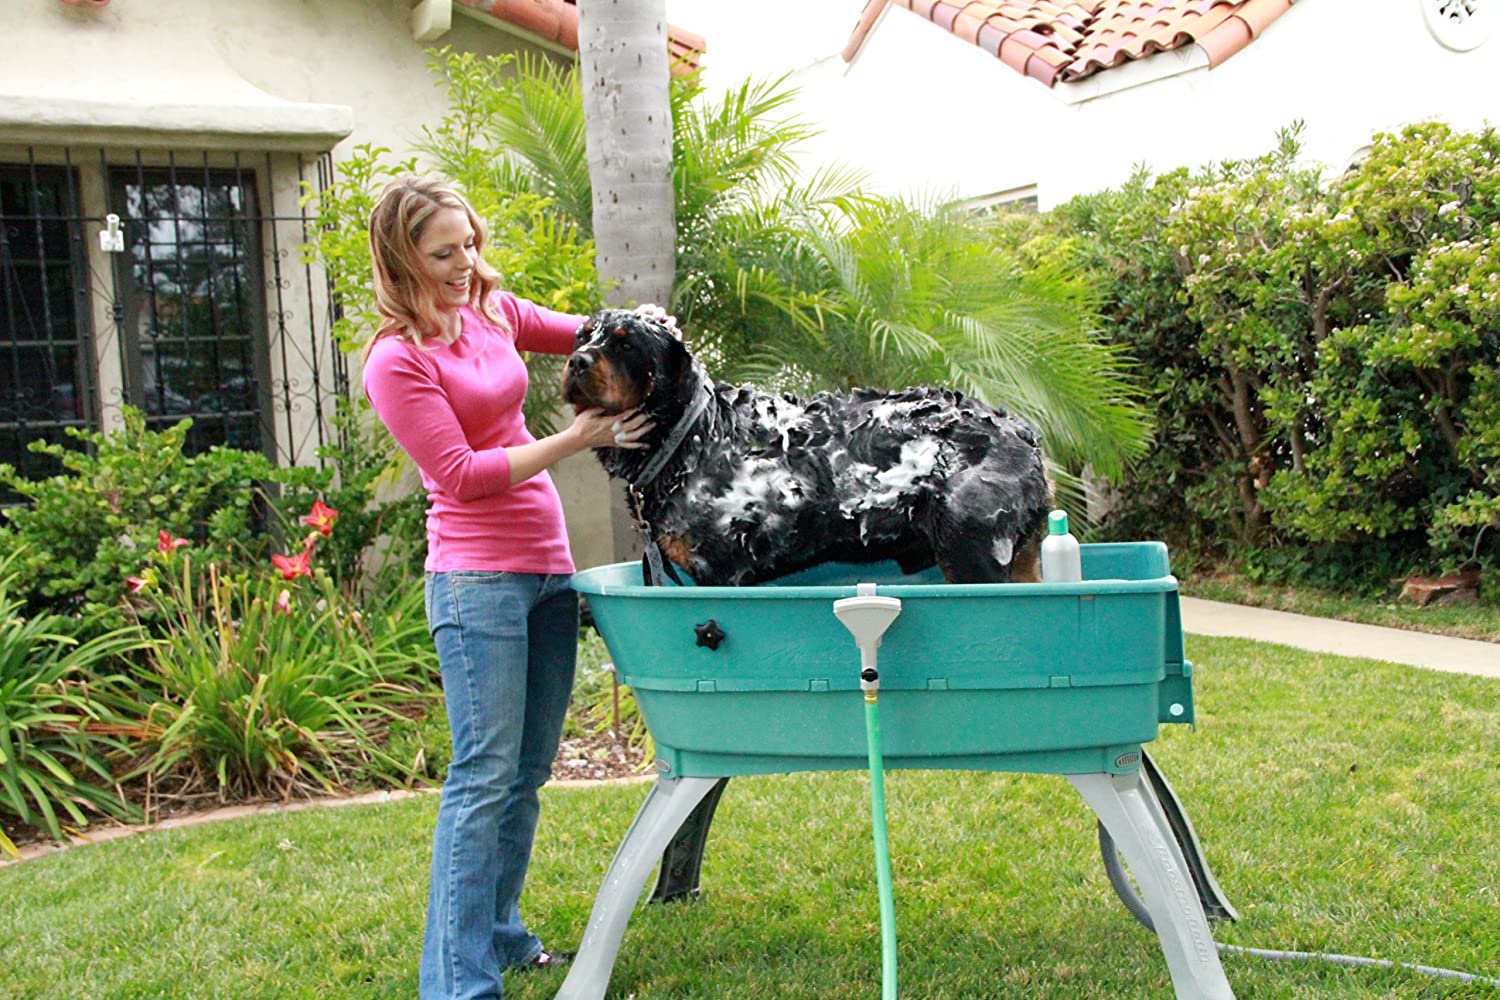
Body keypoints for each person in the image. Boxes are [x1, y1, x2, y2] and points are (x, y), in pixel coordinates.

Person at [361, 175, 652, 1000]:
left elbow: (584, 336)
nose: (466, 263)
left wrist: (645, 335)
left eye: (470, 243)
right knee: (483, 775)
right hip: (475, 579)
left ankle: (501, 934)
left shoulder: (493, 311)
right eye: (444, 252)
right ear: (402, 258)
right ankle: (456, 981)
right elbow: (458, 474)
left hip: (546, 568)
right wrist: (574, 440)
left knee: (525, 773)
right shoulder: (398, 360)